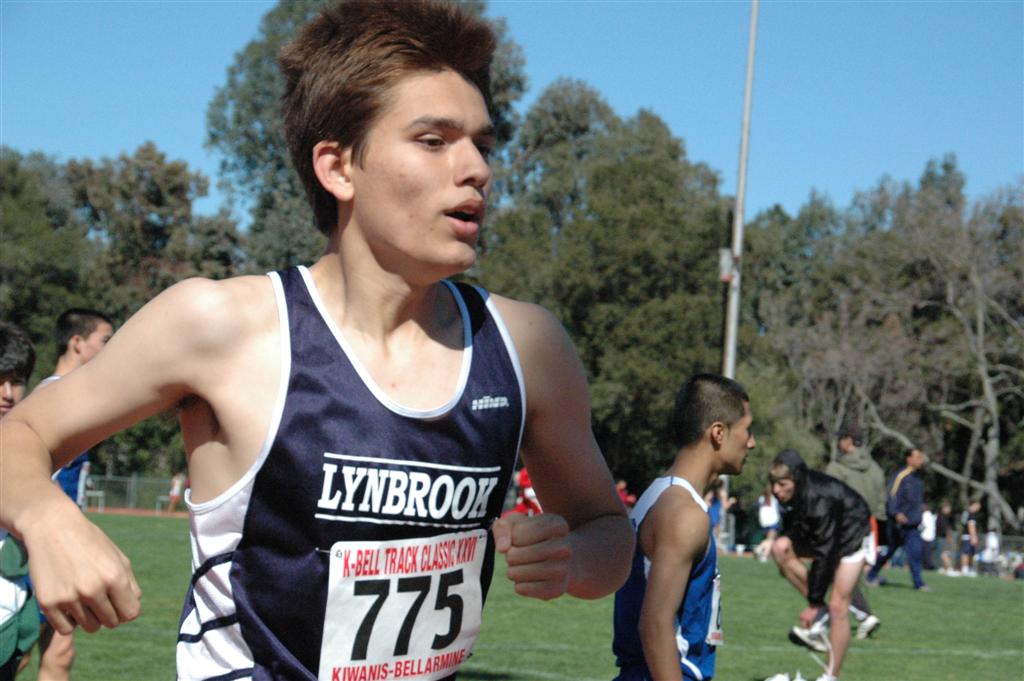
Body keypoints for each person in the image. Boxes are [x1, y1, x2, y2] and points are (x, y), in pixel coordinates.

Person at [0, 2, 634, 679]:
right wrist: (46, 517)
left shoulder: (526, 347)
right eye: (433, 140)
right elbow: (20, 435)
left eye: (484, 144)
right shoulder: (222, 327)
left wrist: (572, 557)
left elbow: (607, 530)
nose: (476, 167)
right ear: (337, 167)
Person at [612, 374, 755, 681]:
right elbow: (655, 624)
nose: (752, 442)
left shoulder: (662, 494)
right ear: (718, 433)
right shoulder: (684, 514)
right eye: (748, 430)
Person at [24, 308, 114, 681]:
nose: (111, 350)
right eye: (105, 341)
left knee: (60, 652)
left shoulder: (78, 397)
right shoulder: (52, 396)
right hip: (37, 547)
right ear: (77, 342)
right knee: (19, 651)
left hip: (63, 545)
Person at [769, 449, 877, 681]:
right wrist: (816, 601)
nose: (776, 490)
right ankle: (822, 615)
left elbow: (825, 552)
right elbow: (796, 529)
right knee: (780, 548)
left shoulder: (819, 498)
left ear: (796, 480)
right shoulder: (790, 495)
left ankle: (830, 677)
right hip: (828, 537)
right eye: (773, 484)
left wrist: (815, 603)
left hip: (853, 535)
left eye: (782, 484)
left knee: (839, 607)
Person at [0, 323, 40, 681]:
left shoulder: (26, 442)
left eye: (17, 382)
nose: (8, 394)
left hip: (11, 614)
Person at [866, 448, 928, 591]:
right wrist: (896, 513)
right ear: (908, 459)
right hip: (899, 524)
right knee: (889, 551)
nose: (921, 460)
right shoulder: (901, 476)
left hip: (913, 524)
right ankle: (871, 575)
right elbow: (891, 495)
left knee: (915, 552)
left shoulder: (917, 478)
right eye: (918, 457)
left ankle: (919, 583)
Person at [824, 423, 887, 561]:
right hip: (870, 523)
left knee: (840, 566)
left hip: (843, 524)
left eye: (841, 439)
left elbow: (828, 497)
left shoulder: (836, 468)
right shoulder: (875, 468)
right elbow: (881, 499)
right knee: (864, 563)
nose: (839, 443)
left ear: (848, 441)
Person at [960, 499, 982, 576]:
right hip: (968, 536)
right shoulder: (971, 514)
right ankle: (965, 569)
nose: (979, 507)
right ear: (974, 504)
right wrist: (974, 537)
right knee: (966, 552)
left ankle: (967, 569)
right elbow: (971, 526)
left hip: (965, 535)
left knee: (968, 552)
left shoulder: (965, 513)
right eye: (978, 505)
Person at [934, 501, 957, 576]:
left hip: (941, 537)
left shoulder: (941, 516)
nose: (949, 510)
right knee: (944, 553)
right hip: (942, 537)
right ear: (944, 508)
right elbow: (945, 528)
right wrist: (949, 537)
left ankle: (946, 568)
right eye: (948, 508)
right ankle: (949, 569)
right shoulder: (943, 517)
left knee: (943, 553)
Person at [919, 504, 936, 571]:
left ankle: (928, 566)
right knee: (928, 552)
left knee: (925, 553)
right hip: (930, 536)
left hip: (925, 536)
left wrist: (917, 530)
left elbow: (923, 525)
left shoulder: (925, 514)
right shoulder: (930, 515)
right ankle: (928, 565)